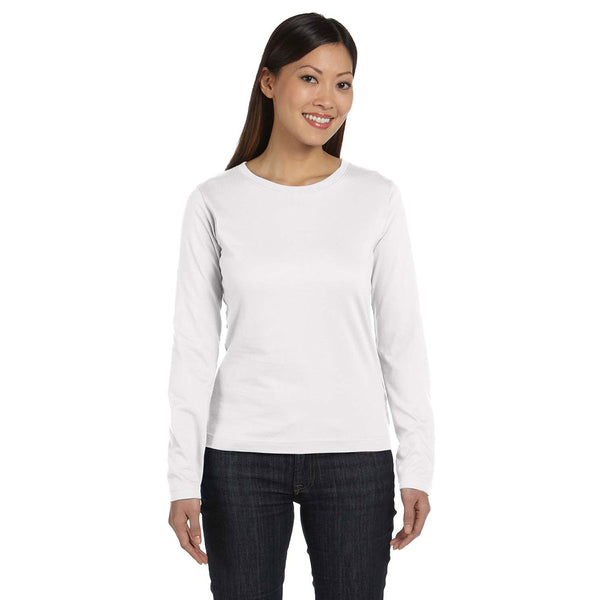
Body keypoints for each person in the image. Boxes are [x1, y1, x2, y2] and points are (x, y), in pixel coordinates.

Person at [167, 12, 434, 600]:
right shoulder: (214, 201)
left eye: (343, 83)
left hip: (354, 457)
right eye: (309, 78)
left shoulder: (376, 198)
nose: (327, 99)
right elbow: (193, 348)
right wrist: (183, 476)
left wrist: (417, 465)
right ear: (268, 82)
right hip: (239, 457)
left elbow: (402, 340)